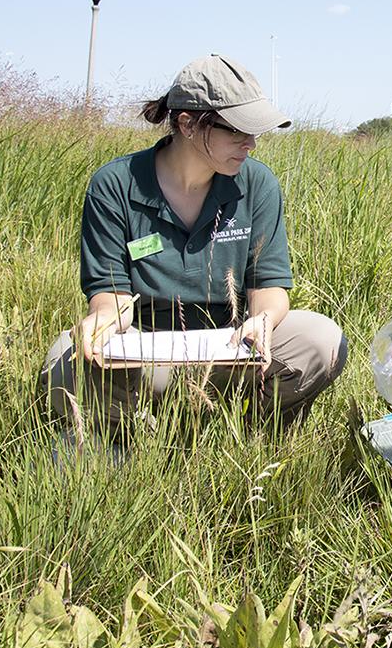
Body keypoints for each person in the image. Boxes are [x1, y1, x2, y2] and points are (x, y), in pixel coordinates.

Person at [40, 54, 347, 439]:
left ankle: (244, 431)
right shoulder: (115, 184)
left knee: (322, 340)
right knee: (62, 361)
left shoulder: (257, 184)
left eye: (254, 132)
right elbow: (111, 294)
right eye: (236, 131)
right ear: (187, 124)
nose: (251, 144)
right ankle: (131, 436)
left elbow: (268, 284)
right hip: (145, 354)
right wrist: (102, 321)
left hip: (233, 349)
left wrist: (263, 321)